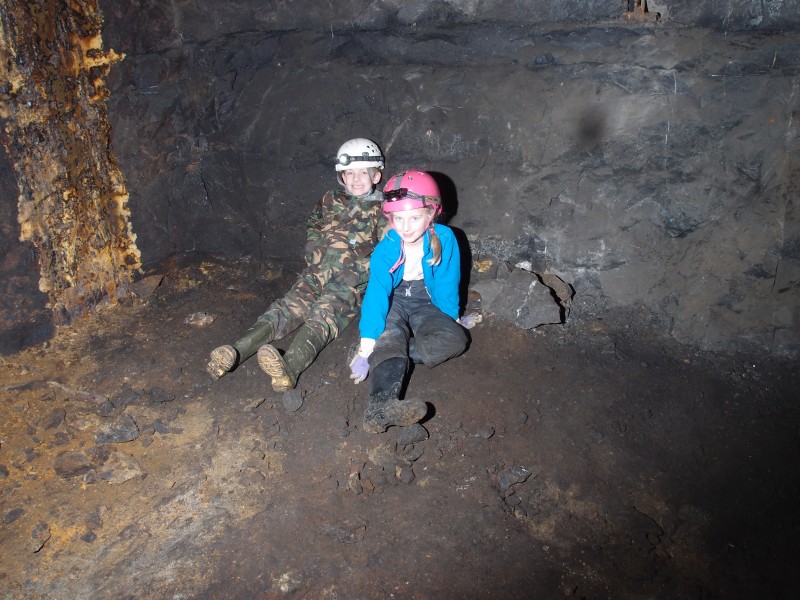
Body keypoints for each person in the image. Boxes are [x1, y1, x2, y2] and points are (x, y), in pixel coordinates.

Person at [207, 137, 387, 391]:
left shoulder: (383, 209)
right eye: (349, 173)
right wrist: (312, 244)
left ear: (376, 176)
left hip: (348, 284)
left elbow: (387, 249)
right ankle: (234, 352)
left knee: (323, 315)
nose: (356, 179)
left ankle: (289, 368)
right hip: (316, 272)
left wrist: (361, 271)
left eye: (363, 173)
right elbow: (315, 220)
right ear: (341, 175)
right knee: (286, 307)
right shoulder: (331, 198)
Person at [348, 170, 470, 433]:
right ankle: (380, 407)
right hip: (395, 297)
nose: (405, 227)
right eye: (398, 218)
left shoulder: (445, 238)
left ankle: (389, 353)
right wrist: (367, 344)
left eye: (414, 217)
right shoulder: (386, 248)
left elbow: (448, 279)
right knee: (389, 333)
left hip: (426, 298)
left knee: (456, 340)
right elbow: (377, 293)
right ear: (390, 218)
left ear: (431, 213)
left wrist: (453, 316)